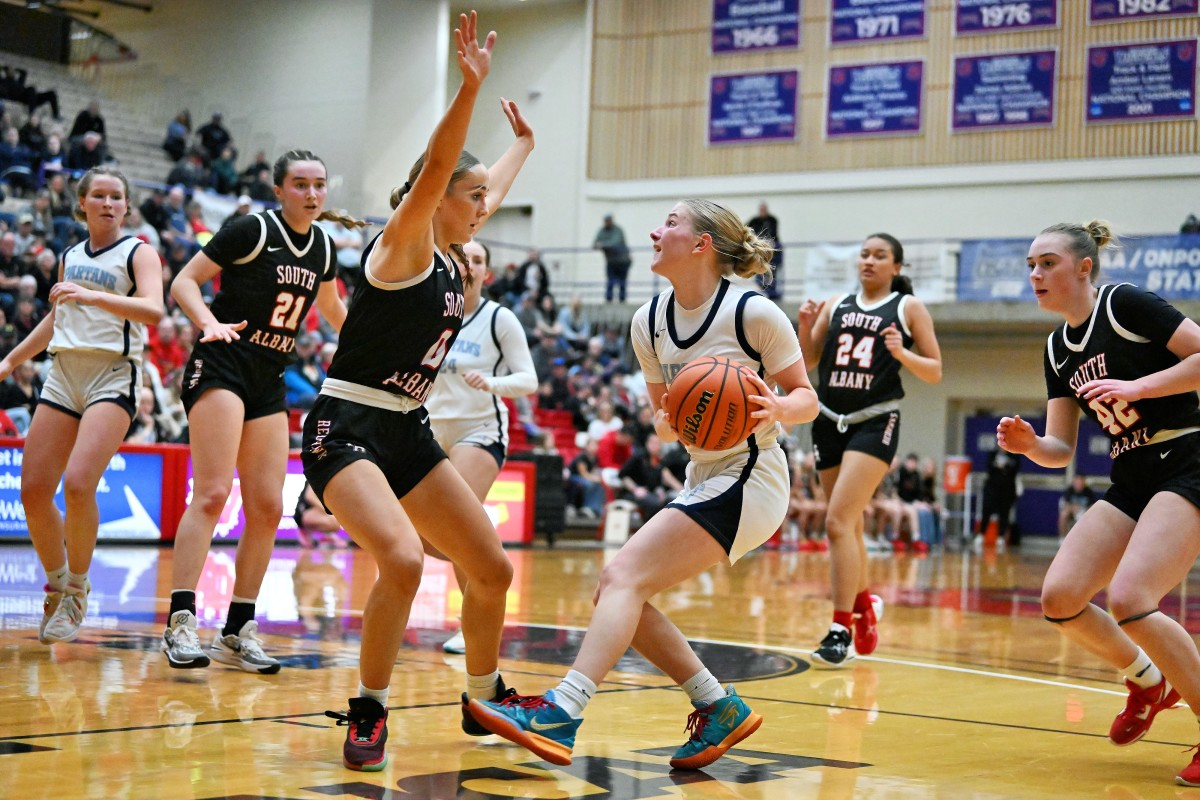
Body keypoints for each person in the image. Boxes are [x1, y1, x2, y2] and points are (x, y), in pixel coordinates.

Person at [466, 198, 819, 770]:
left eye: (671, 224)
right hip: (703, 471)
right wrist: (675, 415)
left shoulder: (753, 313)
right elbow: (661, 417)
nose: (656, 232)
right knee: (618, 593)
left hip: (753, 472)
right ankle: (716, 704)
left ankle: (563, 710)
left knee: (621, 577)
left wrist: (776, 405)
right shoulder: (647, 322)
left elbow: (808, 397)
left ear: (702, 244)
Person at [302, 13, 517, 772]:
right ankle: (368, 710)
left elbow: (476, 183)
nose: (485, 205)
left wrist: (521, 145)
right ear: (435, 199)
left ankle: (485, 692)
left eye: (489, 196)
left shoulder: (460, 257)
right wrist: (468, 90)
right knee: (401, 560)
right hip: (347, 423)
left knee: (491, 570)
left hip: (408, 428)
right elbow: (440, 170)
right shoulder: (401, 246)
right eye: (475, 195)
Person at [996, 219, 1200, 787]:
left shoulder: (1124, 305)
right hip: (1131, 474)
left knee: (1133, 597)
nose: (1035, 274)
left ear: (1084, 267)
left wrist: (1139, 387)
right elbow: (1062, 448)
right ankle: (1146, 680)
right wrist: (1032, 445)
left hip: (1186, 458)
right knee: (1061, 597)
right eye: (1031, 265)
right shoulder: (1057, 346)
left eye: (1047, 263)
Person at [162, 149, 360, 672]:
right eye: (300, 184)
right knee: (211, 492)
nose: (312, 194)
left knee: (270, 507)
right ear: (279, 189)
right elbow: (184, 281)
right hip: (223, 362)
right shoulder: (251, 230)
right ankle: (181, 622)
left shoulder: (322, 245)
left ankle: (239, 627)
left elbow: (334, 311)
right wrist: (207, 321)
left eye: (319, 185)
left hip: (269, 377)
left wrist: (377, 343)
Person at [0, 166, 163, 643]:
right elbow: (58, 316)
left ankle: (77, 588)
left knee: (77, 483)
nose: (109, 203)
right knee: (32, 489)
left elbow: (154, 309)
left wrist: (92, 295)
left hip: (113, 374)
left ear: (127, 206)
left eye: (117, 196)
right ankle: (55, 584)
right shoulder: (70, 253)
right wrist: (10, 360)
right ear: (83, 203)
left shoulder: (139, 252)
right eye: (100, 195)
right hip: (63, 374)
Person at [796, 232, 942, 668]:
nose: (869, 261)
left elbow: (935, 371)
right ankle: (864, 606)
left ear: (896, 267)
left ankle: (840, 628)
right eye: (864, 254)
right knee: (850, 526)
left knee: (838, 521)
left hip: (875, 420)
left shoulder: (907, 308)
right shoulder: (837, 303)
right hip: (828, 418)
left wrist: (903, 354)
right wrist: (805, 326)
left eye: (880, 256)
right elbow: (808, 362)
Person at [426, 100, 536, 656]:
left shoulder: (499, 317)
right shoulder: (431, 290)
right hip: (427, 429)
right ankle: (480, 600)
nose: (467, 263)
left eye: (476, 259)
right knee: (439, 540)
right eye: (462, 255)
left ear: (485, 271)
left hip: (478, 429)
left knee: (457, 528)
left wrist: (493, 386)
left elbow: (529, 380)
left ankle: (472, 623)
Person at [977, 447, 1021, 549]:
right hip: (992, 488)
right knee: (986, 510)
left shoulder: (1014, 455)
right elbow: (989, 467)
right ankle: (981, 534)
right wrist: (998, 466)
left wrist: (1005, 466)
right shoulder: (993, 453)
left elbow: (1016, 469)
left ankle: (1001, 537)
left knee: (1004, 512)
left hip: (1007, 489)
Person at [593, 213, 631, 303]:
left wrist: (602, 244)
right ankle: (608, 300)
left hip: (622, 261)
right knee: (610, 282)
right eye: (606, 220)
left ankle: (622, 301)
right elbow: (595, 244)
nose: (607, 222)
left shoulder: (618, 230)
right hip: (611, 262)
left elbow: (615, 243)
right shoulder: (602, 231)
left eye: (609, 220)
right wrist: (602, 244)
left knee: (622, 283)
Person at [747, 202, 781, 299]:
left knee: (772, 271)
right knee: (759, 271)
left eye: (764, 209)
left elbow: (773, 233)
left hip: (771, 249)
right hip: (759, 250)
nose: (763, 212)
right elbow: (748, 230)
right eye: (761, 210)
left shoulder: (772, 220)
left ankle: (772, 292)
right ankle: (762, 290)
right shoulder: (754, 221)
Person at [1059, 473, 1096, 537]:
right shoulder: (1069, 490)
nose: (1079, 484)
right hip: (1070, 511)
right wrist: (1073, 508)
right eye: (1077, 482)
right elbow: (1066, 504)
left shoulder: (1089, 492)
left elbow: (1092, 506)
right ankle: (1062, 538)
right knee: (1063, 515)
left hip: (1083, 512)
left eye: (1080, 482)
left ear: (1084, 482)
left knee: (1081, 517)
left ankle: (1082, 538)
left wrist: (1083, 510)